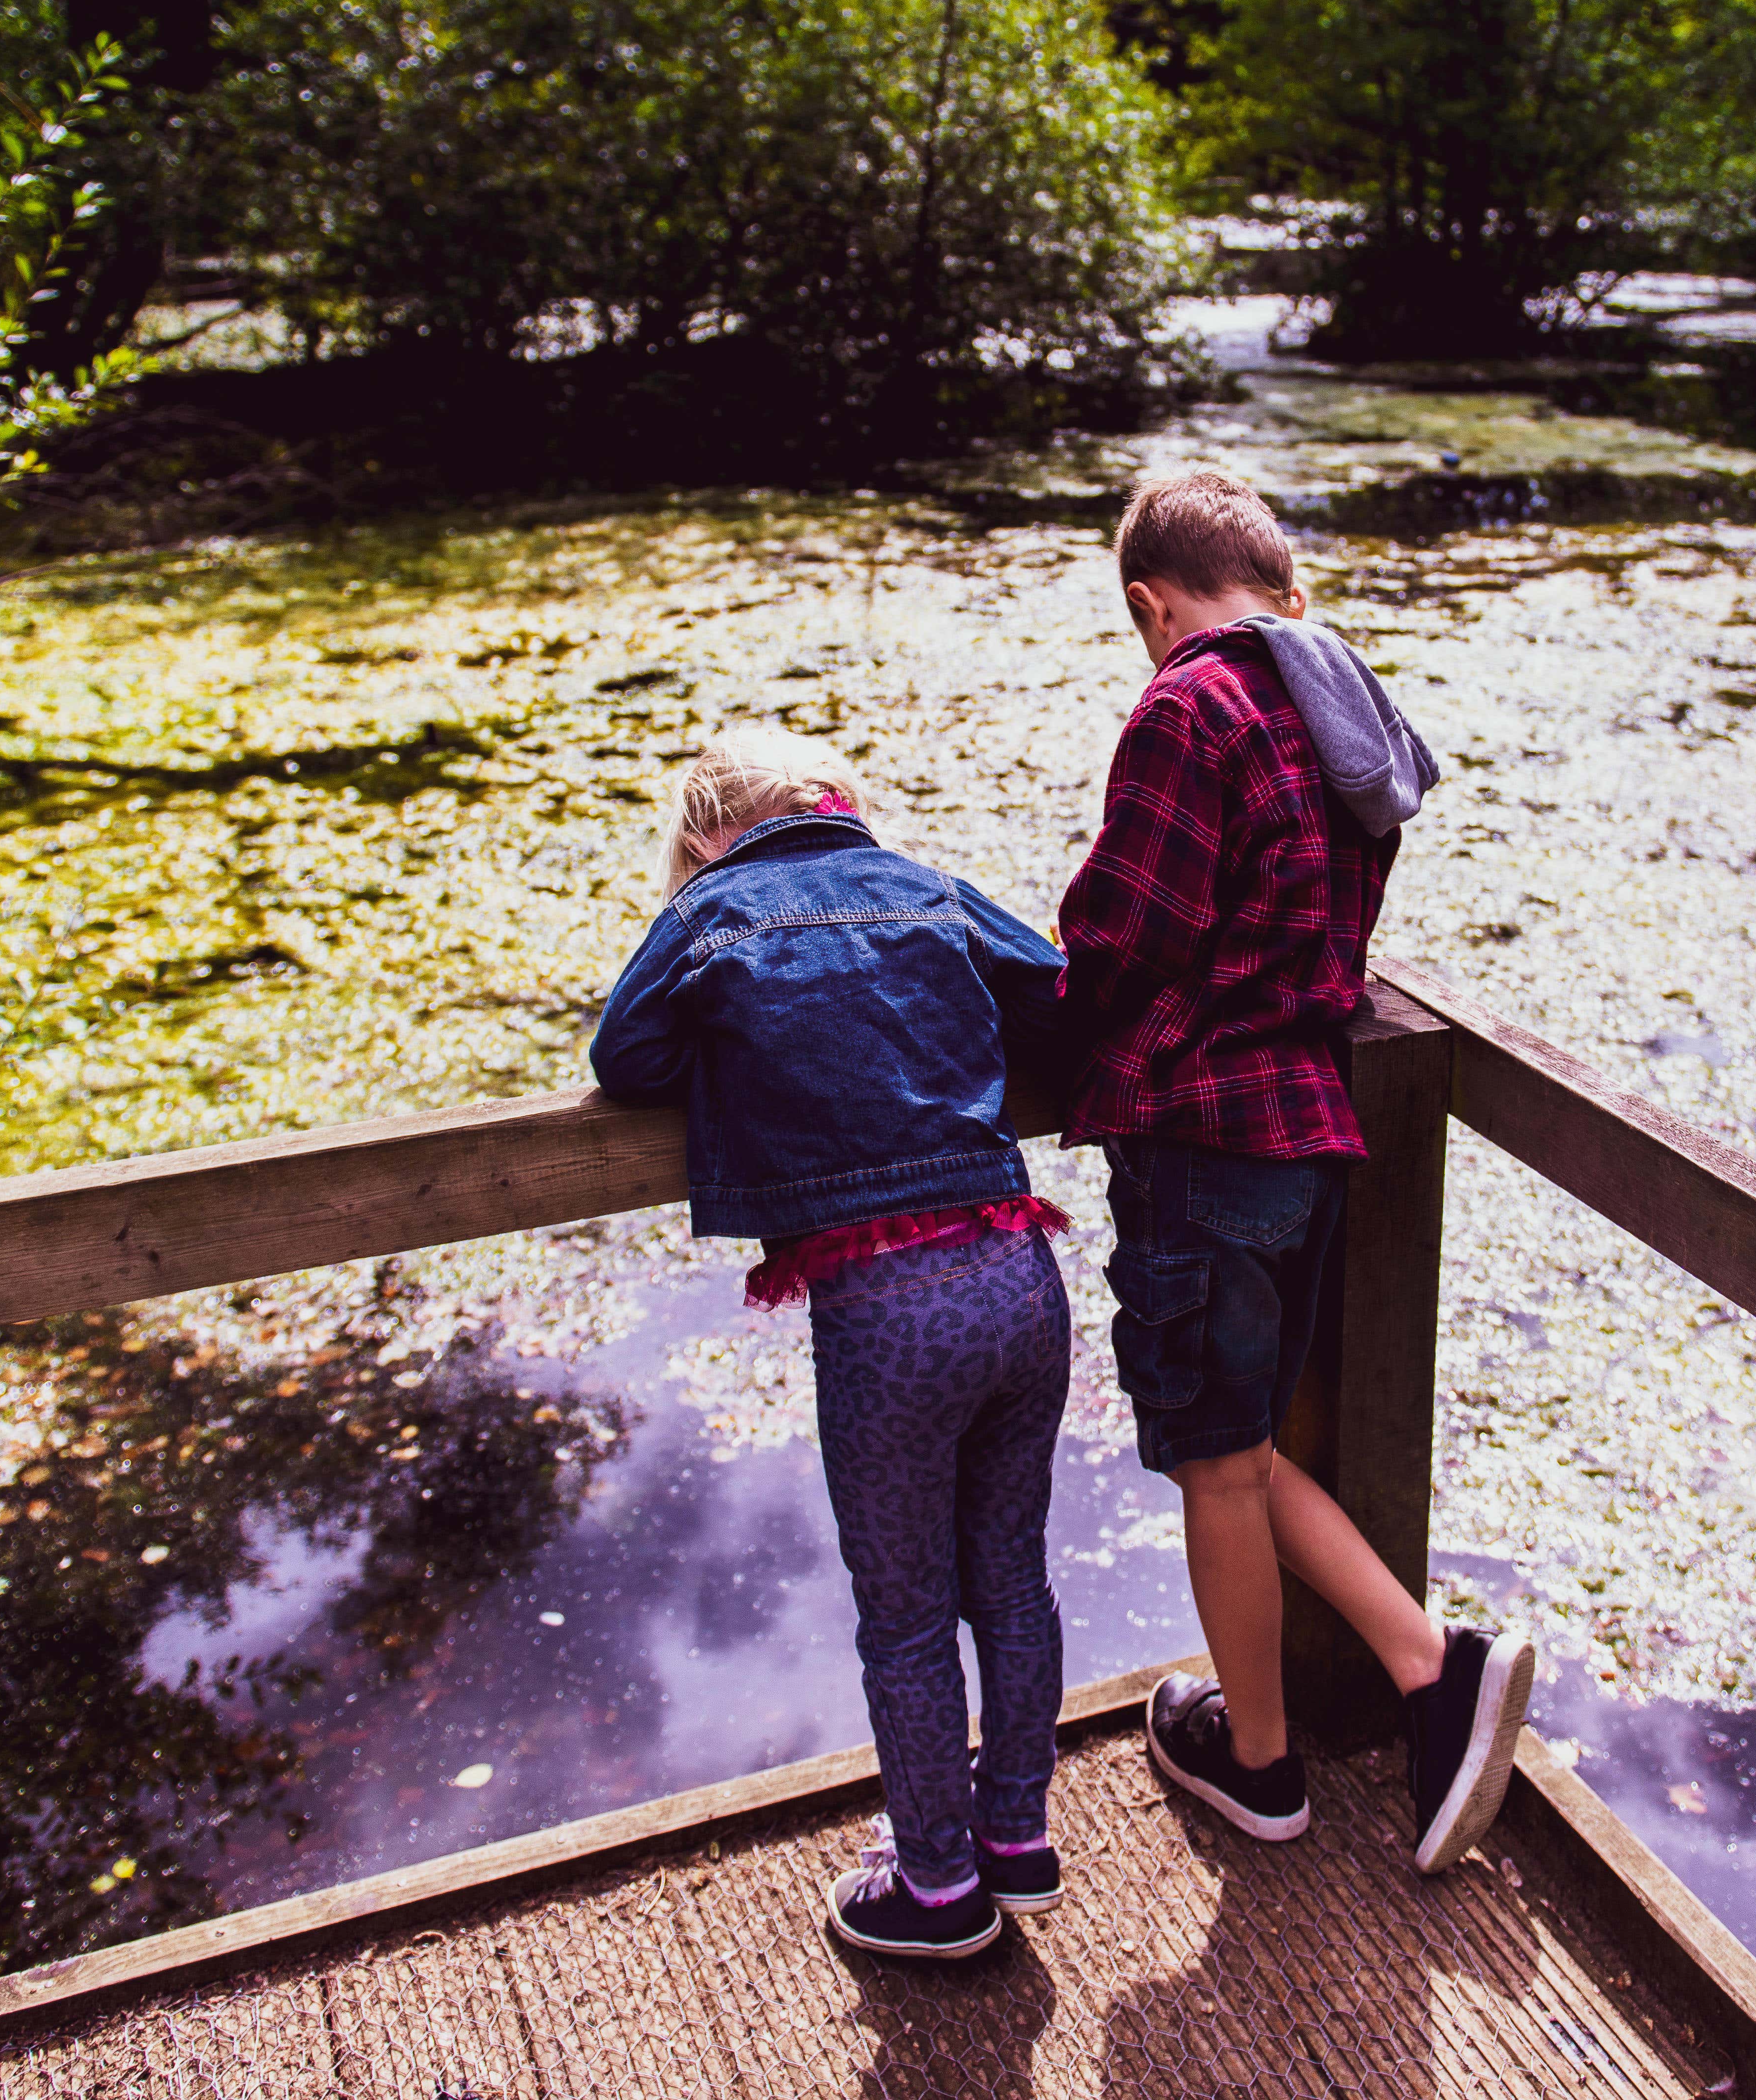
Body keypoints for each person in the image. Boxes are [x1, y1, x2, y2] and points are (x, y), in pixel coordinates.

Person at [1059, 469, 1535, 1875]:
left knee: (1213, 1467)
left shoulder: (1187, 704)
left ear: (1153, 602)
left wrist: (1050, 1003)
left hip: (1204, 1138)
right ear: (1285, 585)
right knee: (1245, 1450)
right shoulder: (1343, 703)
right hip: (1310, 1127)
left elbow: (1123, 928)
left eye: (1140, 624)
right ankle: (1427, 1664)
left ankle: (1260, 1765)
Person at [591, 728, 1076, 1961]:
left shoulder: (711, 912)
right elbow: (1061, 997)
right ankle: (1015, 1839)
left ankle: (934, 1888)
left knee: (906, 1615)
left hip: (888, 1304)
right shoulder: (925, 883)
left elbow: (627, 1056)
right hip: (1018, 1268)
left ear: (706, 834)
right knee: (1010, 1576)